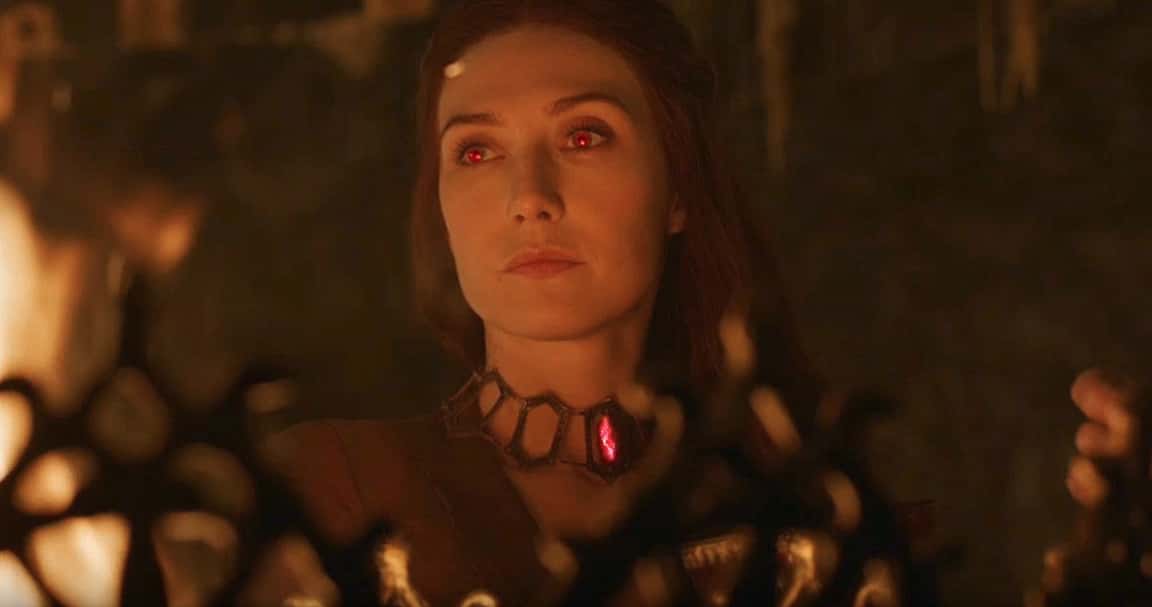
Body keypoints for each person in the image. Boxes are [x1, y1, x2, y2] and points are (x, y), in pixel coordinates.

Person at [268, 1, 1144, 604]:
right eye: (476, 151)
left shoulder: (811, 515)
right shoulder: (331, 494)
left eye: (584, 135)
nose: (528, 196)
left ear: (677, 187)